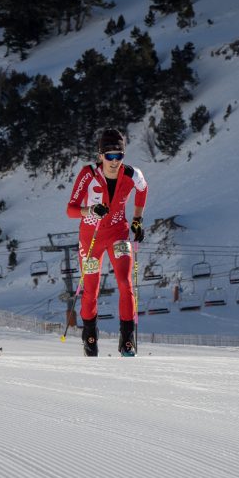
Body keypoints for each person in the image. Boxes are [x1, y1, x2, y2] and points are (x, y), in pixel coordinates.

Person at [66, 128, 148, 356]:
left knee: (125, 282)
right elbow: (70, 210)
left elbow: (143, 190)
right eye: (109, 156)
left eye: (119, 156)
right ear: (100, 155)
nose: (114, 161)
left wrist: (137, 220)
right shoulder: (88, 174)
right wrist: (89, 210)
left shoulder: (132, 174)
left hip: (118, 233)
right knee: (91, 289)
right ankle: (90, 336)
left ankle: (127, 338)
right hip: (91, 237)